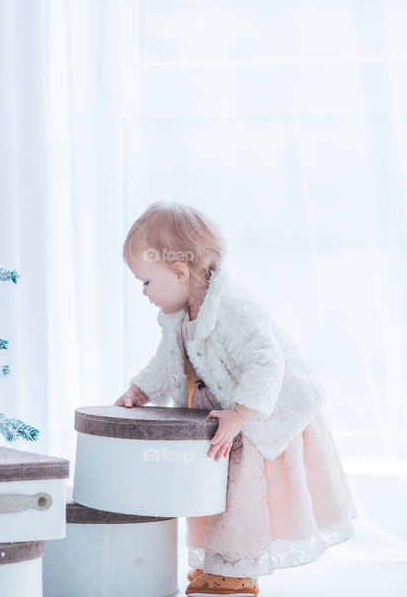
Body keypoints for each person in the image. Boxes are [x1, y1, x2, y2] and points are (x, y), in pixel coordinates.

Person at [115, 201, 358, 597]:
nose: (143, 293)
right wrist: (141, 390)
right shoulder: (180, 314)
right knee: (213, 491)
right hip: (225, 417)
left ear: (179, 272)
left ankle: (235, 571)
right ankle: (217, 562)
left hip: (261, 413)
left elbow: (267, 362)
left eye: (145, 282)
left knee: (240, 497)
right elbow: (168, 360)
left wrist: (241, 414)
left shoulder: (233, 307)